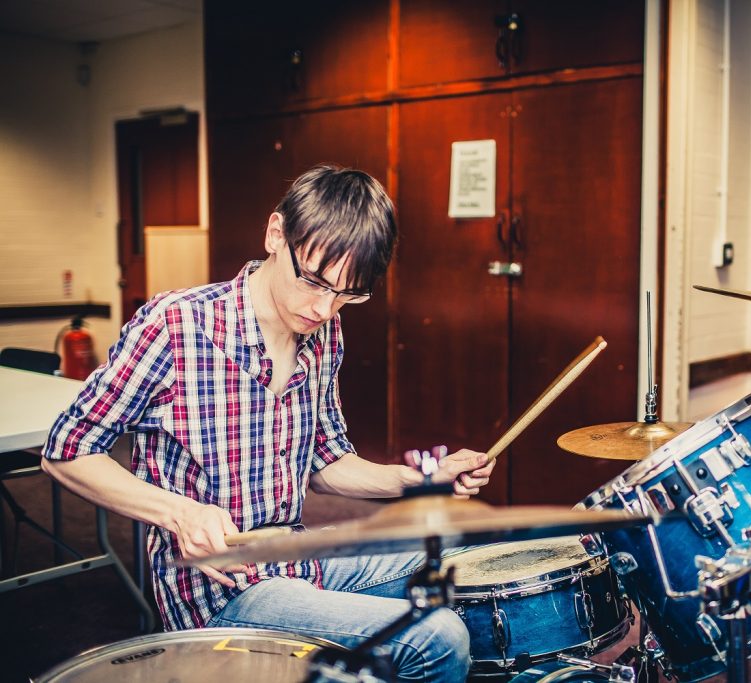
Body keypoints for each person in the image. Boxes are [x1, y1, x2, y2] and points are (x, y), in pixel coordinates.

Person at [42, 165, 494, 681]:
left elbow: (326, 461)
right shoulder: (175, 325)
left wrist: (418, 481)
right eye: (314, 282)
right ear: (276, 234)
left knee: (466, 551)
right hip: (216, 588)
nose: (324, 308)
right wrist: (178, 513)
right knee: (437, 637)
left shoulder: (324, 331)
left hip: (295, 557)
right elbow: (66, 451)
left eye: (348, 293)